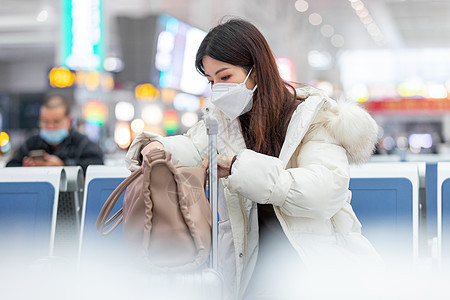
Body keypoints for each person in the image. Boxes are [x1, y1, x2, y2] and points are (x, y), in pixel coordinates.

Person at [125, 18, 382, 299]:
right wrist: (154, 147)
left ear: (256, 70)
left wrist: (239, 167)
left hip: (315, 271)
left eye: (225, 77)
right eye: (211, 81)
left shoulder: (314, 117)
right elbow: (192, 147)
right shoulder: (221, 120)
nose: (217, 90)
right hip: (249, 275)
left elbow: (324, 192)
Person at [6, 94, 104, 173]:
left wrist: (63, 165)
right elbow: (10, 167)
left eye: (56, 122)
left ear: (69, 121)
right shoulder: (31, 143)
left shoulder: (82, 144)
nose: (50, 126)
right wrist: (23, 169)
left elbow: (97, 167)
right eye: (45, 121)